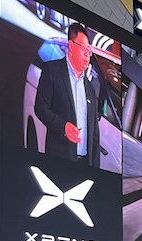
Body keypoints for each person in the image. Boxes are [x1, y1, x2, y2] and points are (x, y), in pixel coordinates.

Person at [35, 22, 104, 169]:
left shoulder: (90, 88)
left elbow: (94, 134)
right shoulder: (52, 70)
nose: (87, 55)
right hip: (60, 159)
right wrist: (63, 127)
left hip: (85, 164)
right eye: (83, 48)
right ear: (71, 46)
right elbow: (40, 108)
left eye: (88, 50)